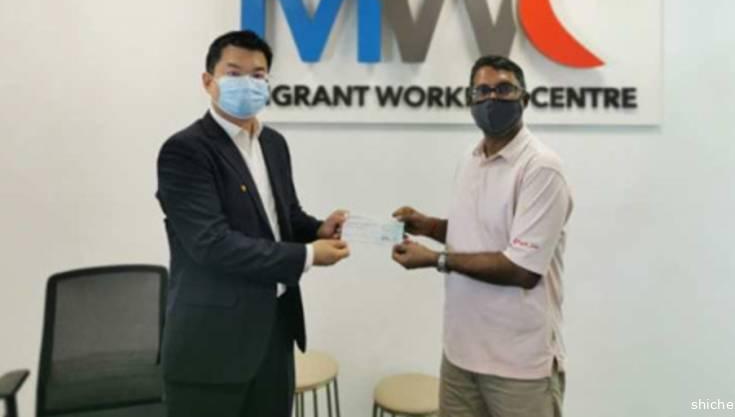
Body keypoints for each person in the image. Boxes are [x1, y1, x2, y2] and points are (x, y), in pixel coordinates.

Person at [156, 30, 350, 417]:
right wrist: (308, 255)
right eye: (234, 73)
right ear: (208, 81)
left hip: (274, 332)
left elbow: (283, 215)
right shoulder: (185, 150)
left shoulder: (272, 143)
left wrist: (317, 229)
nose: (248, 83)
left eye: (258, 75)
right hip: (211, 346)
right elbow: (212, 244)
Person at [392, 55, 573, 417]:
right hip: (459, 356)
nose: (492, 98)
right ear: (470, 100)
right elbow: (477, 234)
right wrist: (428, 226)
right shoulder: (470, 160)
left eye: (504, 89)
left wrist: (436, 259)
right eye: (483, 91)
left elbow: (523, 268)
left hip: (519, 365)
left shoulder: (541, 167)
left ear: (524, 98)